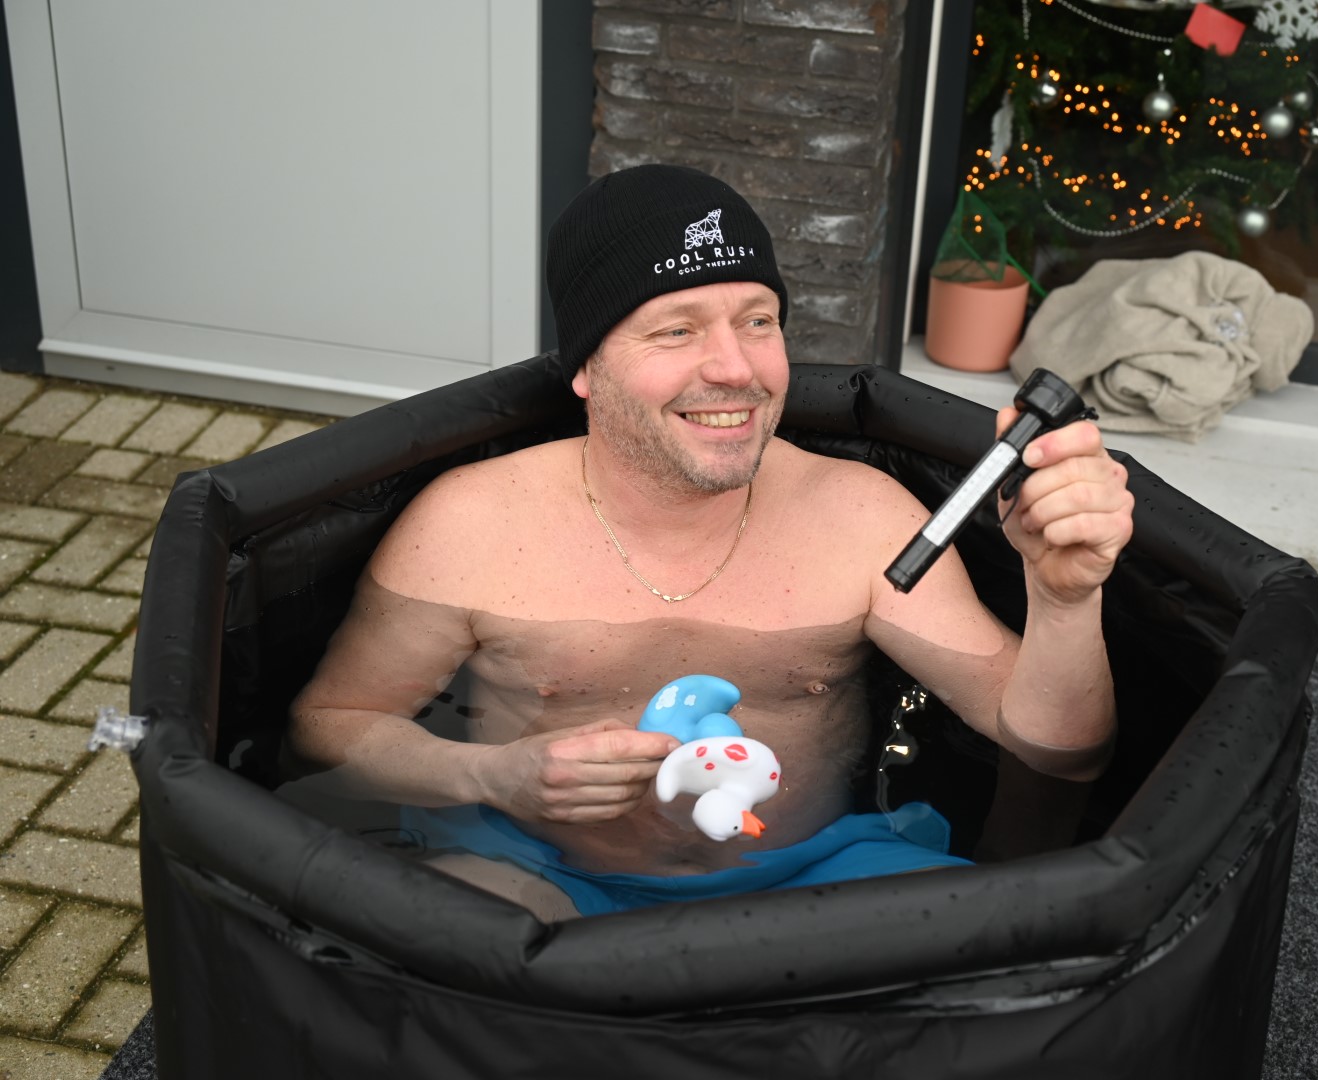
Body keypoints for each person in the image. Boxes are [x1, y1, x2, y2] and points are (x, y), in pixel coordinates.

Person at [288, 164, 1134, 920]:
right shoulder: (472, 525)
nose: (736, 368)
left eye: (757, 321)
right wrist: (490, 776)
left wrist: (1065, 599)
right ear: (586, 366)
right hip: (539, 870)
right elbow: (331, 722)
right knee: (452, 944)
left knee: (970, 941)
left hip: (813, 876)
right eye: (677, 329)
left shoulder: (857, 516)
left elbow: (1054, 750)